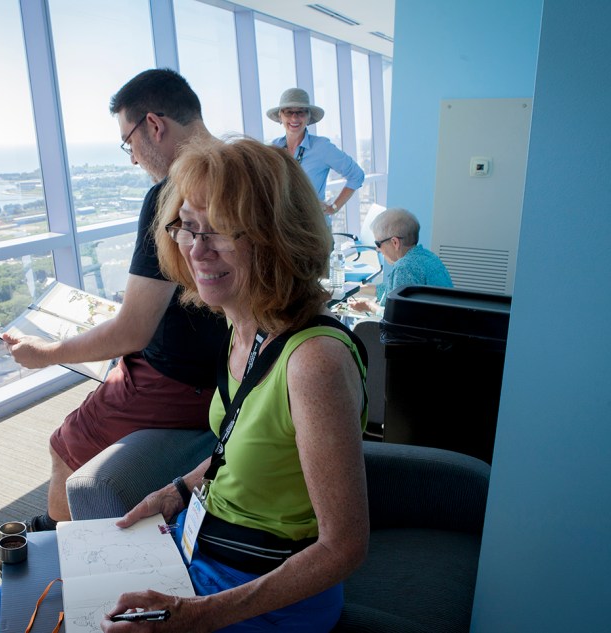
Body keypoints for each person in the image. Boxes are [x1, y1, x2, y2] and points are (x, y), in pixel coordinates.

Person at [101, 137, 369, 632]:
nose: (197, 249)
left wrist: (197, 616)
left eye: (221, 229)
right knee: (11, 600)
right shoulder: (245, 322)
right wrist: (178, 489)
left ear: (277, 237)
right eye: (187, 226)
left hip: (268, 589)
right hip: (208, 547)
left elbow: (344, 547)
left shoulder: (314, 362)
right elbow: (248, 449)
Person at [0, 69, 228, 532]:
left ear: (153, 125)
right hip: (234, 367)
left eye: (129, 142)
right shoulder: (244, 172)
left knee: (65, 442)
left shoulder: (172, 194)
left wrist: (45, 354)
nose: (133, 159)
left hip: (181, 380)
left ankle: (59, 541)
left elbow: (133, 330)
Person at [268, 88, 364, 218]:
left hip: (314, 225)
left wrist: (334, 208)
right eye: (288, 112)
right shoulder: (273, 149)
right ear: (280, 116)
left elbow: (357, 175)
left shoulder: (322, 147)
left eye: (301, 112)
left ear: (308, 117)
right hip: (283, 224)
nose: (294, 117)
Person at [349, 207, 453, 311]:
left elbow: (397, 315)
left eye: (378, 244)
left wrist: (368, 305)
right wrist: (359, 289)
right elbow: (393, 289)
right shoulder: (427, 256)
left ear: (395, 242)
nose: (377, 249)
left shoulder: (404, 268)